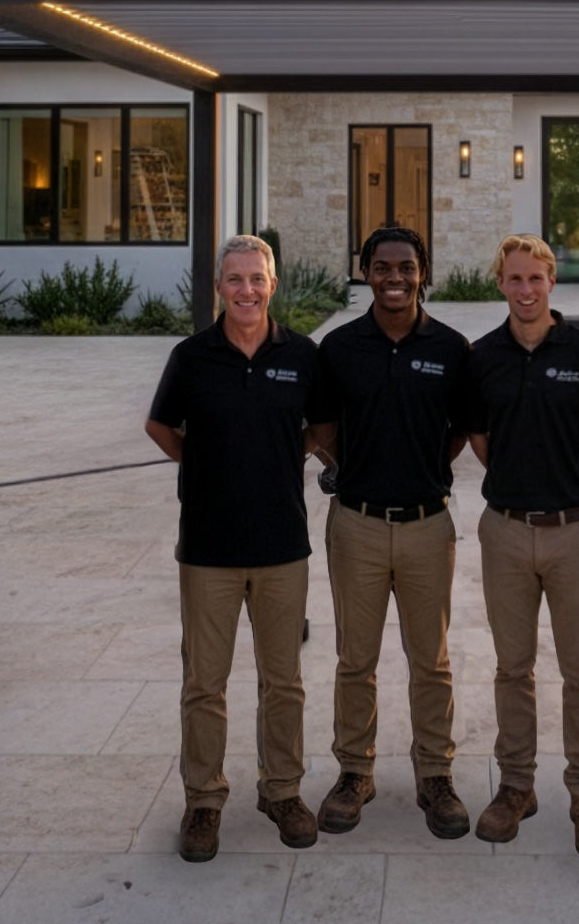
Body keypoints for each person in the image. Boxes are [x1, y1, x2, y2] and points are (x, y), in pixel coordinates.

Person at [145, 234, 321, 862]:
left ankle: (282, 791)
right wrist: (204, 464)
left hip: (282, 543)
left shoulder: (302, 355)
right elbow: (159, 424)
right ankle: (204, 800)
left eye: (257, 278)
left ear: (273, 285)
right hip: (208, 548)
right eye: (235, 279)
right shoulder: (192, 357)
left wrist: (281, 457)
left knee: (284, 681)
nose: (247, 289)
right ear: (219, 287)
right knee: (204, 682)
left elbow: (320, 427)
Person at [465, 233, 579, 860]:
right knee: (513, 667)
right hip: (504, 531)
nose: (526, 290)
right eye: (514, 279)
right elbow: (477, 433)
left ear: (551, 282)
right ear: (500, 283)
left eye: (535, 279)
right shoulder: (482, 356)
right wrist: (512, 479)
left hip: (574, 533)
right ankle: (515, 787)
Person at [307, 226, 472, 840]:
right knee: (356, 659)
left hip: (429, 525)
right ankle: (355, 771)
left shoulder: (452, 348)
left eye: (405, 267)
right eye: (381, 267)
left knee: (431, 660)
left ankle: (436, 775)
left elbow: (461, 428)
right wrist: (342, 467)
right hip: (356, 525)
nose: (394, 277)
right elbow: (320, 425)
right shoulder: (340, 347)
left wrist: (427, 464)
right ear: (366, 272)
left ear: (422, 272)